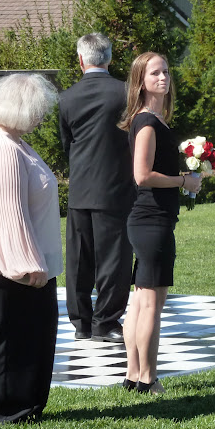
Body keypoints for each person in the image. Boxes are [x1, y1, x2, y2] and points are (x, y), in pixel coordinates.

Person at [0, 73, 62, 424]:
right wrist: (26, 264)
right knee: (13, 339)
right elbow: (8, 213)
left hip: (26, 264)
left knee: (33, 336)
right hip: (10, 268)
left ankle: (29, 406)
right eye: (37, 110)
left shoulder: (13, 143)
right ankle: (9, 411)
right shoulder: (0, 147)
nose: (41, 117)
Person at [118, 51, 202, 394]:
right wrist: (184, 181)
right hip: (151, 220)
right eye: (155, 73)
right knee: (151, 304)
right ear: (141, 81)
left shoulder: (154, 119)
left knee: (140, 302)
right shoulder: (148, 123)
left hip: (150, 220)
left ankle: (133, 376)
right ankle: (148, 379)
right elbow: (142, 175)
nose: (163, 77)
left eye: (166, 71)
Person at [59, 33, 135, 343]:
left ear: (80, 59)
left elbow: (67, 143)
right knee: (114, 259)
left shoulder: (67, 97)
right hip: (115, 187)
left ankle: (81, 323)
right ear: (110, 58)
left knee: (79, 259)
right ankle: (106, 321)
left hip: (80, 188)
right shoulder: (126, 93)